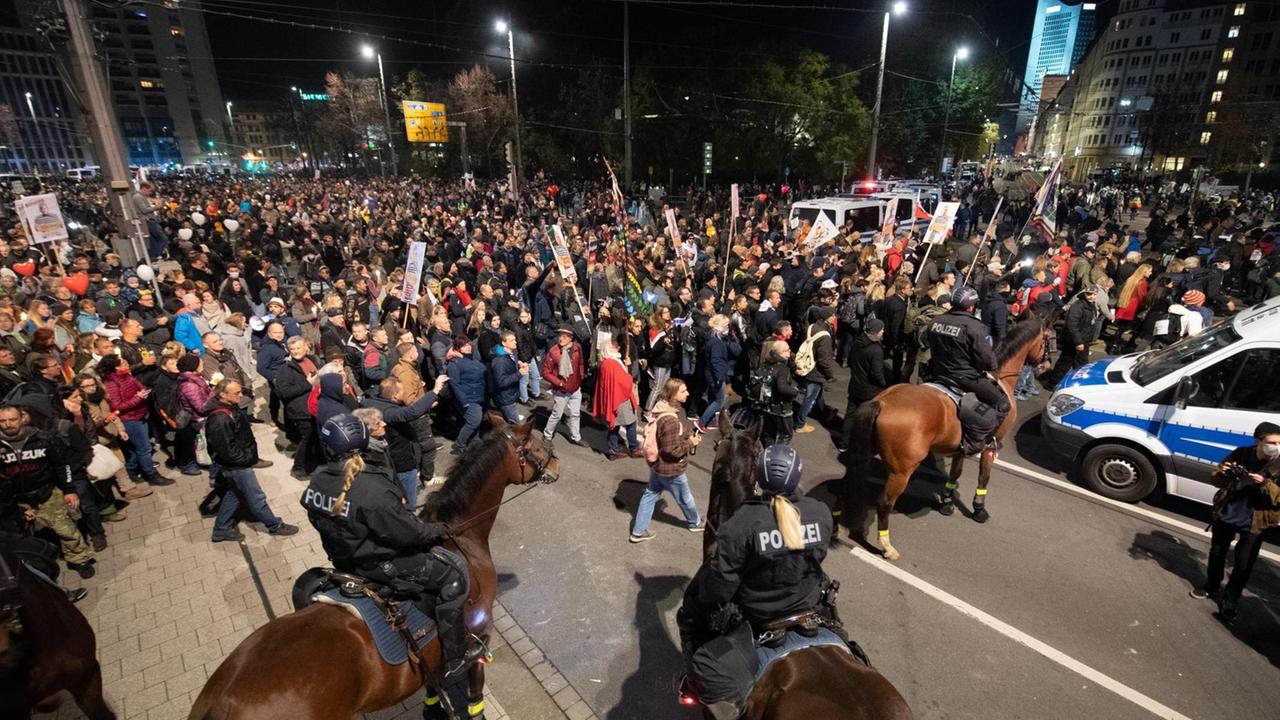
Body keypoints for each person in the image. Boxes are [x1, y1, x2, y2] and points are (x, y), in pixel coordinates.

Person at [299, 413, 483, 683]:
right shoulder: (373, 487)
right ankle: (456, 656)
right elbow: (408, 534)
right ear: (364, 441)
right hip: (382, 566)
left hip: (345, 561)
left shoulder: (318, 479)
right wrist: (439, 529)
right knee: (453, 578)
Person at [683, 445, 834, 720]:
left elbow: (721, 587)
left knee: (697, 637)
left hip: (759, 618)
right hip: (810, 606)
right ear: (797, 476)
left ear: (759, 478)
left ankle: (699, 691)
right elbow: (818, 557)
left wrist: (704, 603)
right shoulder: (820, 512)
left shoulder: (741, 523)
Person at [1190, 422, 1280, 622]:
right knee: (1217, 552)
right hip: (1229, 512)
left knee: (1243, 563)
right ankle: (1212, 587)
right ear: (1258, 442)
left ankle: (1230, 600)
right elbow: (1216, 477)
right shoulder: (1241, 454)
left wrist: (1265, 484)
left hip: (1256, 521)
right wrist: (1224, 473)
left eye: (1279, 442)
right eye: (1272, 442)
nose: (1276, 447)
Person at [0, 403, 95, 578]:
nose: (8, 424)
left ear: (22, 418)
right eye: (3, 421)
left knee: (66, 530)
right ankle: (40, 568)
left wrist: (69, 489)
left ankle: (79, 560)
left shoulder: (43, 438)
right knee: (27, 539)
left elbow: (62, 465)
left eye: (12, 419)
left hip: (47, 494)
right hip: (16, 502)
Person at [203, 379, 298, 542]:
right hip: (237, 466)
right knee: (256, 497)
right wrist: (248, 459)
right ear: (223, 395)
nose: (241, 395)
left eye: (240, 391)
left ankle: (221, 529)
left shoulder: (228, 408)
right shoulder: (220, 419)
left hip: (237, 464)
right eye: (236, 393)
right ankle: (274, 525)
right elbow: (227, 450)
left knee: (234, 493)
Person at [923, 286, 1008, 453]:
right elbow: (986, 359)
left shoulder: (935, 321)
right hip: (965, 377)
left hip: (937, 372)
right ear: (971, 306)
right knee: (1003, 403)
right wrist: (992, 367)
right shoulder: (975, 327)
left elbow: (925, 342)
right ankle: (981, 439)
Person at [630, 379, 704, 542]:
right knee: (685, 499)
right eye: (683, 391)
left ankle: (638, 531)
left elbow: (669, 435)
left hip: (657, 466)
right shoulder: (670, 420)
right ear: (673, 395)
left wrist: (686, 433)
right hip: (671, 469)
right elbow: (672, 450)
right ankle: (695, 522)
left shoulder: (662, 409)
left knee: (649, 495)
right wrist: (690, 443)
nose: (688, 393)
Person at [361, 375, 447, 510]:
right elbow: (408, 413)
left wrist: (426, 406)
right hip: (402, 462)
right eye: (402, 391)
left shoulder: (375, 402)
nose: (405, 393)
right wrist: (435, 391)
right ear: (395, 395)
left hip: (398, 457)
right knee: (408, 501)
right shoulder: (387, 411)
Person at [98, 353, 172, 487]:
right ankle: (151, 475)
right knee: (144, 448)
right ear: (115, 368)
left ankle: (131, 472)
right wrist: (138, 398)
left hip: (141, 414)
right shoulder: (112, 383)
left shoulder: (126, 375)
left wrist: (143, 392)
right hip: (130, 419)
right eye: (123, 363)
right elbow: (117, 406)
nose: (127, 365)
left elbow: (139, 386)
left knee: (135, 449)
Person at [841, 318, 887, 451]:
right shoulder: (876, 350)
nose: (883, 331)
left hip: (855, 385)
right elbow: (876, 373)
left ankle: (844, 443)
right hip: (870, 390)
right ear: (876, 332)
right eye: (881, 329)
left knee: (850, 416)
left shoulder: (857, 342)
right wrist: (884, 385)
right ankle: (861, 446)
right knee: (866, 420)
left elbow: (851, 361)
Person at [593, 333, 641, 460]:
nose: (617, 346)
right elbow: (624, 381)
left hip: (615, 397)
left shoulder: (608, 362)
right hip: (620, 398)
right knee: (630, 422)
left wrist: (627, 365)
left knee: (615, 424)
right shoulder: (611, 364)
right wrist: (629, 372)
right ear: (608, 349)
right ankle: (632, 448)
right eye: (613, 345)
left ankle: (613, 449)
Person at [746, 340, 800, 446]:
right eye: (787, 350)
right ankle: (777, 455)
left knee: (768, 434)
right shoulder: (782, 369)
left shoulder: (765, 364)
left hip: (765, 407)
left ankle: (768, 452)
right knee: (786, 434)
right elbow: (782, 388)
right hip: (781, 410)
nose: (790, 352)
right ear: (780, 353)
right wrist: (795, 391)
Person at [541, 324, 587, 447]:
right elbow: (546, 373)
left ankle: (576, 437)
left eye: (565, 336)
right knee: (557, 414)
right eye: (560, 336)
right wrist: (559, 383)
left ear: (571, 338)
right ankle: (547, 435)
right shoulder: (553, 352)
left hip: (575, 388)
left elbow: (581, 364)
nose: (561, 339)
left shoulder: (577, 348)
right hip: (561, 390)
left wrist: (580, 377)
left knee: (576, 414)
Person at [695, 315, 742, 434]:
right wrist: (720, 377)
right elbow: (716, 361)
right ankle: (702, 422)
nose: (727, 329)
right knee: (719, 400)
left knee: (713, 397)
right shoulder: (717, 343)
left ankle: (710, 422)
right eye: (726, 326)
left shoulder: (712, 338)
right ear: (719, 327)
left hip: (711, 373)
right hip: (716, 375)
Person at [793, 306, 836, 434]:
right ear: (827, 317)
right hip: (815, 371)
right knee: (810, 397)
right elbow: (823, 359)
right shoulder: (825, 336)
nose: (835, 317)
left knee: (818, 392)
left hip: (807, 365)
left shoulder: (811, 327)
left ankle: (824, 412)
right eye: (832, 315)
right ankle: (800, 424)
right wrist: (830, 375)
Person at [445, 336, 487, 454]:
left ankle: (475, 441)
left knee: (475, 421)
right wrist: (464, 401)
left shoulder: (472, 358)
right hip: (468, 398)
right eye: (464, 345)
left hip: (478, 395)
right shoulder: (454, 363)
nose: (468, 347)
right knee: (473, 421)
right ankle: (459, 445)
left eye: (468, 344)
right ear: (458, 348)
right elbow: (455, 384)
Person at [487, 330, 525, 424]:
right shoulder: (499, 361)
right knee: (515, 426)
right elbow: (501, 382)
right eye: (512, 340)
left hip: (511, 393)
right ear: (504, 343)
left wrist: (518, 363)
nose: (515, 342)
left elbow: (512, 360)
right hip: (505, 398)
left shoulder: (512, 352)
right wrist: (519, 374)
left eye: (515, 339)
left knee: (508, 421)